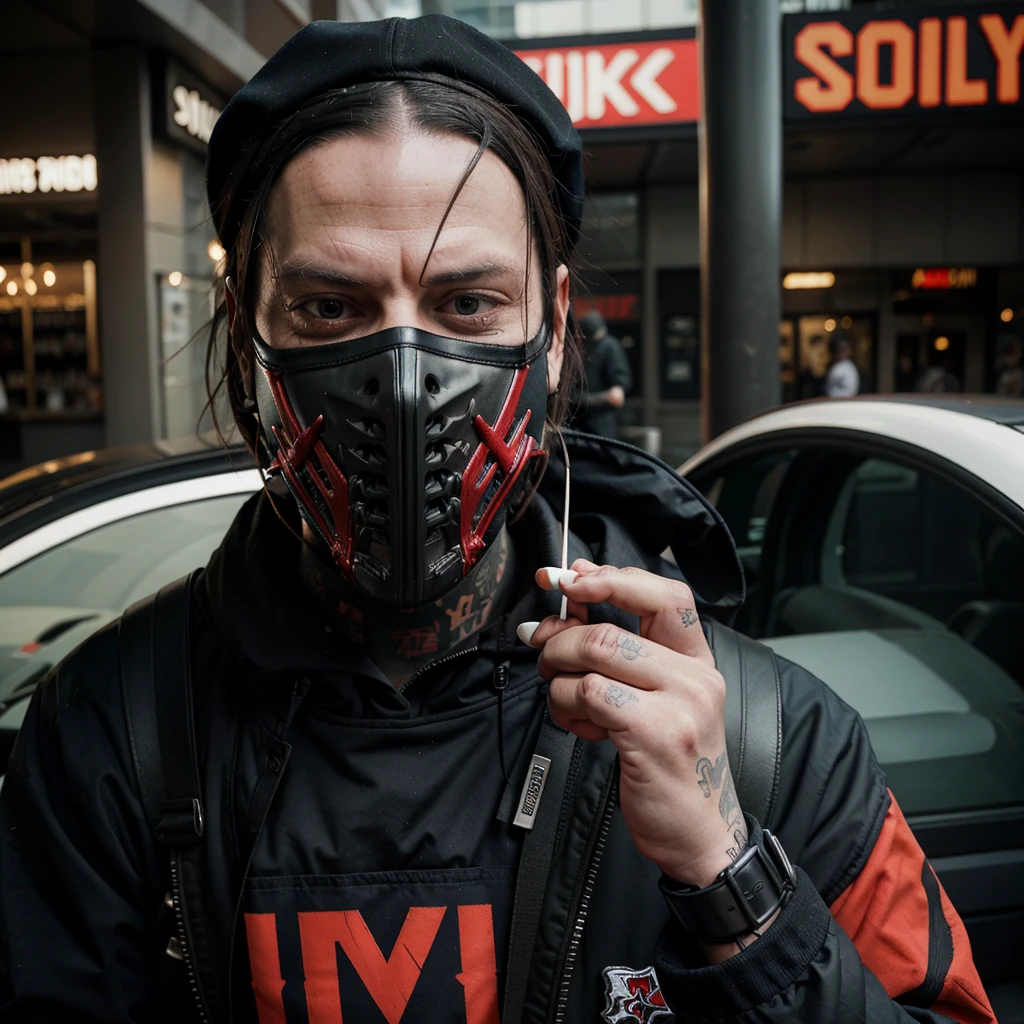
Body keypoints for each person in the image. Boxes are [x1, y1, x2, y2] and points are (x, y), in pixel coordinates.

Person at [0, 16, 994, 1024]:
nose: (401, 383)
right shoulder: (111, 736)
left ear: (555, 327)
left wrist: (728, 874)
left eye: (467, 303)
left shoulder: (763, 733)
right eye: (328, 308)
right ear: (246, 327)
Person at [573, 309, 632, 438]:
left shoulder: (609, 345)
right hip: (578, 413)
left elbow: (620, 378)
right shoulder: (576, 349)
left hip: (603, 416)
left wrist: (619, 387)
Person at [824, 332, 859, 398]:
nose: (842, 353)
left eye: (844, 349)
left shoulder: (850, 367)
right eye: (838, 349)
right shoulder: (831, 368)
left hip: (848, 404)